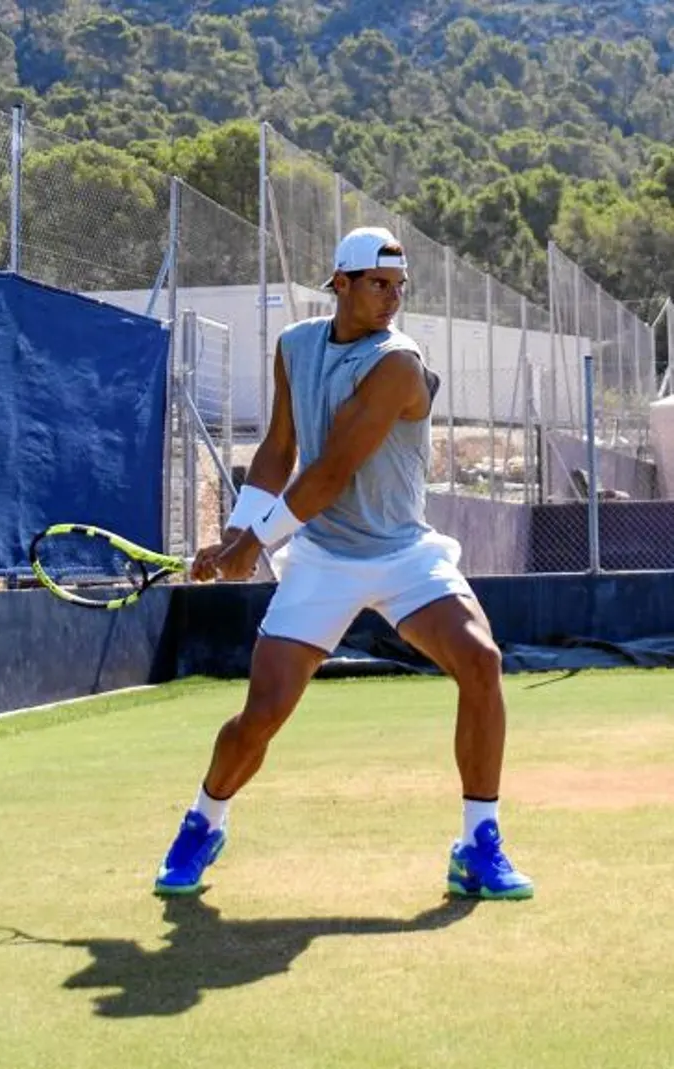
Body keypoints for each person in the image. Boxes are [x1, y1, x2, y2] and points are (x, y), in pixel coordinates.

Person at [154, 227, 532, 901]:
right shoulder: (294, 347)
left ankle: (478, 844)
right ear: (342, 283)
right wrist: (239, 529)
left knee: (481, 661)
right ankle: (203, 820)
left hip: (402, 551)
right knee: (261, 714)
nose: (390, 299)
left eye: (398, 288)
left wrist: (253, 547)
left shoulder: (399, 364)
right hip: (323, 557)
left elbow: (330, 470)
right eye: (377, 285)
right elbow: (279, 447)